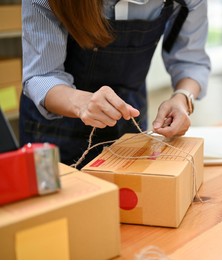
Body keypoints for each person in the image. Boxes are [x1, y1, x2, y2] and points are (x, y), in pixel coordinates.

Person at [20, 0, 210, 168]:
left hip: (130, 124)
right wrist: (82, 103)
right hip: (55, 130)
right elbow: (42, 75)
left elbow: (191, 61)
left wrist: (183, 99)